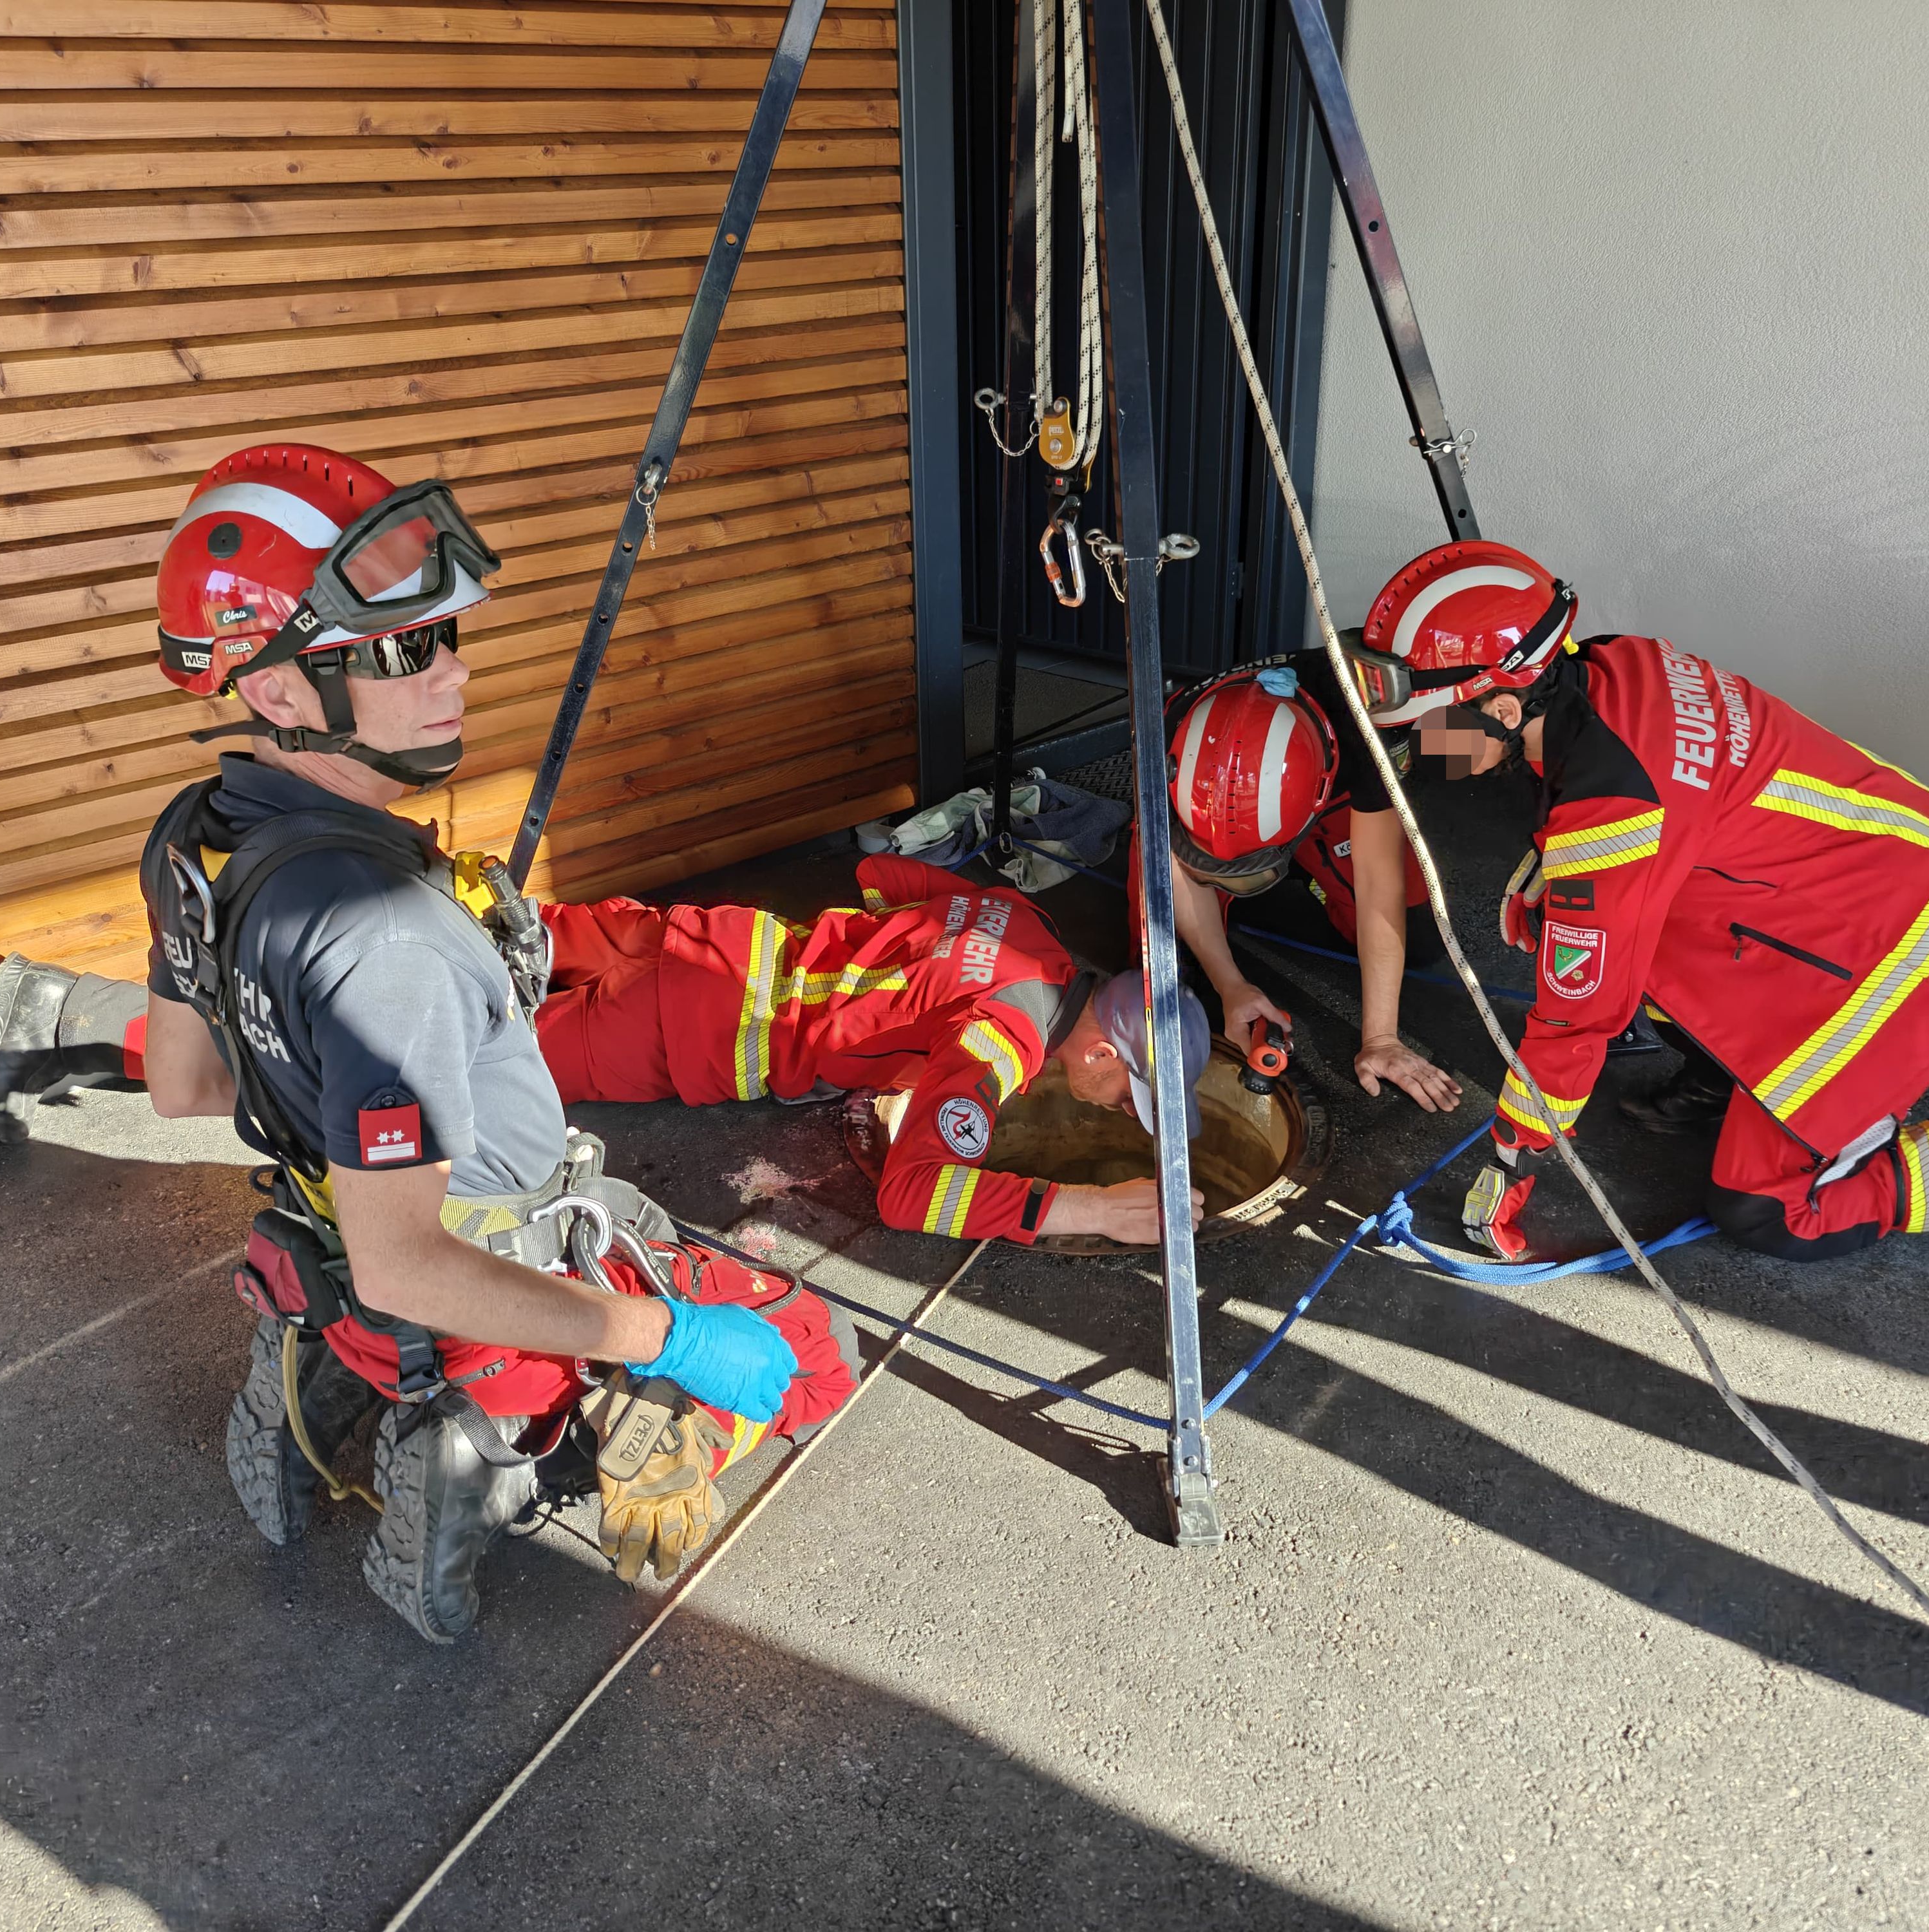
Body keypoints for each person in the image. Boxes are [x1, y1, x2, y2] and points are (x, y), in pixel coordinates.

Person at [126, 442, 855, 1643]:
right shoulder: (387, 941)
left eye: (448, 636)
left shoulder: (198, 840)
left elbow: (182, 1084)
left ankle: (316, 1367)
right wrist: (664, 1334)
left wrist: (341, 1078)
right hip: (484, 1248)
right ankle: (501, 1438)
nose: (453, 674)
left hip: (328, 1215)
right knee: (816, 1351)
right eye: (407, 650)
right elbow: (408, 1265)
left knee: (371, 1273)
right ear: (277, 692)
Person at [1338, 538, 1929, 1263]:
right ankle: (1735, 1077)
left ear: (1507, 707)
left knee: (1767, 1211)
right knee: (1571, 914)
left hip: (1919, 949)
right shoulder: (1608, 666)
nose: (1422, 746)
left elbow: (1573, 1017)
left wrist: (1514, 1152)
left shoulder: (1617, 808)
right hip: (1899, 883)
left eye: (1432, 724)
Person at [531, 860, 1214, 1247]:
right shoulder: (1000, 1046)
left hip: (705, 938)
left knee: (492, 934)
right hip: (692, 1030)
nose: (1124, 1113)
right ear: (1099, 1053)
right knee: (479, 1052)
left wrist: (895, 1001)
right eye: (1131, 1097)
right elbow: (913, 1195)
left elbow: (884, 877)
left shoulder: (1029, 926)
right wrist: (1094, 1209)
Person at [1143, 659, 1460, 1112]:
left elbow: (1377, 879)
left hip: (1339, 788)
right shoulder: (1167, 734)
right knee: (1157, 933)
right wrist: (1230, 985)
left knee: (1419, 938)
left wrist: (1382, 1039)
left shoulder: (1366, 732)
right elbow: (1170, 863)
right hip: (1213, 817)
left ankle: (1307, 869)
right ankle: (1230, 899)